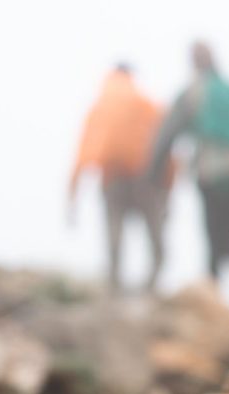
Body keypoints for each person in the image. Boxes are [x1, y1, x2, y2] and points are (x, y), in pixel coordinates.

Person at [149, 42, 229, 321]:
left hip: (215, 175)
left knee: (216, 240)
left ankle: (214, 305)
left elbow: (166, 136)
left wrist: (154, 174)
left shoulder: (193, 94)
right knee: (227, 239)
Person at [69, 64, 172, 292]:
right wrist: (167, 189)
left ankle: (114, 285)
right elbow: (165, 143)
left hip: (112, 178)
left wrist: (72, 196)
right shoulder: (145, 102)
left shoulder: (99, 106)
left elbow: (82, 151)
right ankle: (151, 284)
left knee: (114, 232)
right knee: (155, 233)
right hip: (145, 179)